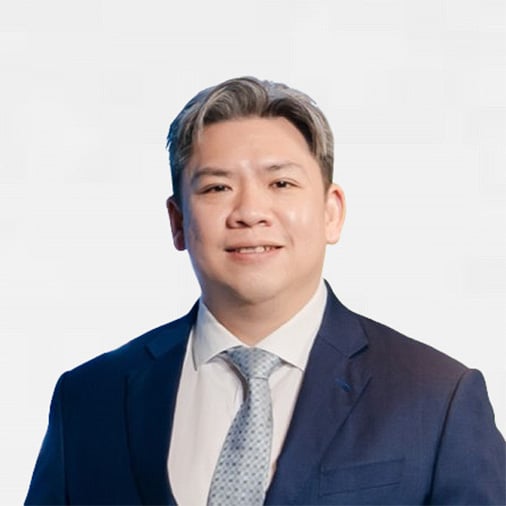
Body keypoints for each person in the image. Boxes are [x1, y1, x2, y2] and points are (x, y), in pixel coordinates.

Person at [26, 76, 505, 506]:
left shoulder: (436, 398)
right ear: (177, 221)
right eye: (217, 188)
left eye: (281, 183)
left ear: (331, 212)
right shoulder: (90, 399)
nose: (250, 212)